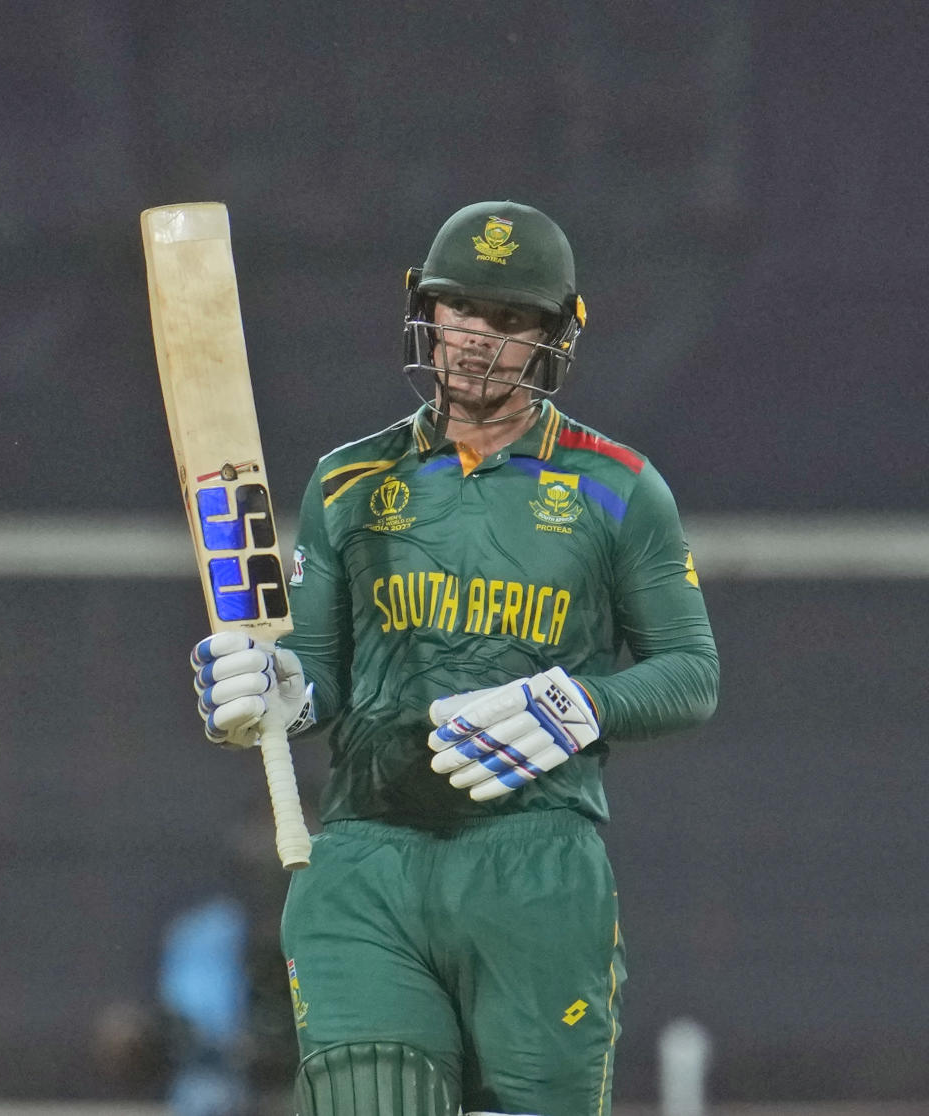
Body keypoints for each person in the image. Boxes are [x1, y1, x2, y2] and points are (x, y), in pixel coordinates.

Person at [190, 200, 720, 1116]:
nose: (476, 339)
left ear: (558, 334)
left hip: (536, 864)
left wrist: (580, 706)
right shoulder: (348, 481)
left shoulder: (617, 487)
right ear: (422, 311)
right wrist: (273, 689)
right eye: (458, 309)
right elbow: (316, 670)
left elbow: (690, 670)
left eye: (510, 319)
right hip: (367, 856)